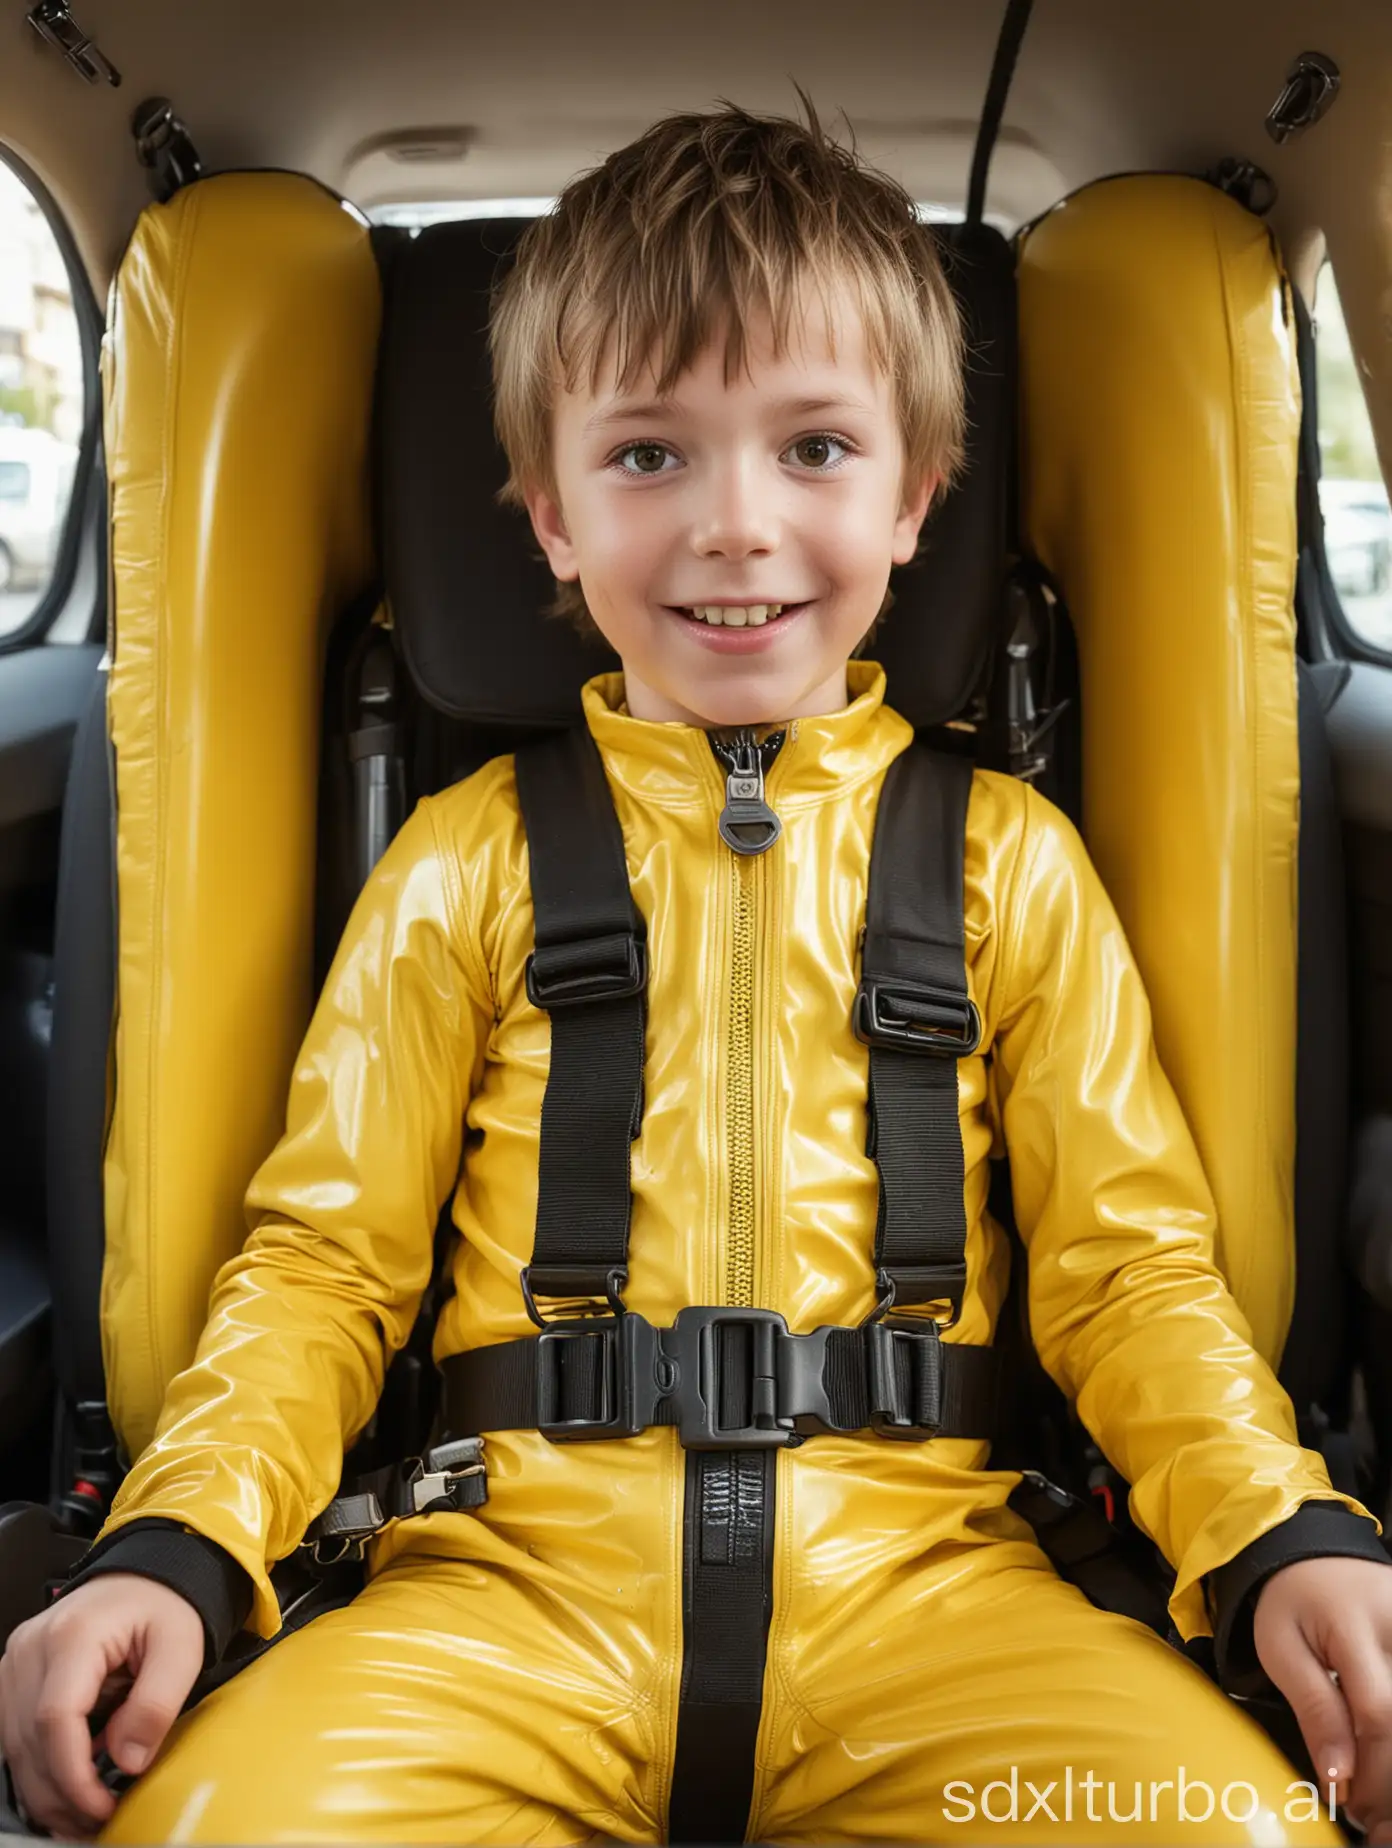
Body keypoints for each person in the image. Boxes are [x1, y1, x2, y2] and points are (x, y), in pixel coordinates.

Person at [3, 95, 1391, 1848]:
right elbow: (321, 1272)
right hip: (499, 1603)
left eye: (814, 448)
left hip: (941, 1606)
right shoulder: (465, 864)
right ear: (550, 518)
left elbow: (1132, 1281)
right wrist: (178, 1547)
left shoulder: (1010, 865)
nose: (736, 525)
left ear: (916, 503)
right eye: (650, 455)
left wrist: (1280, 1535)